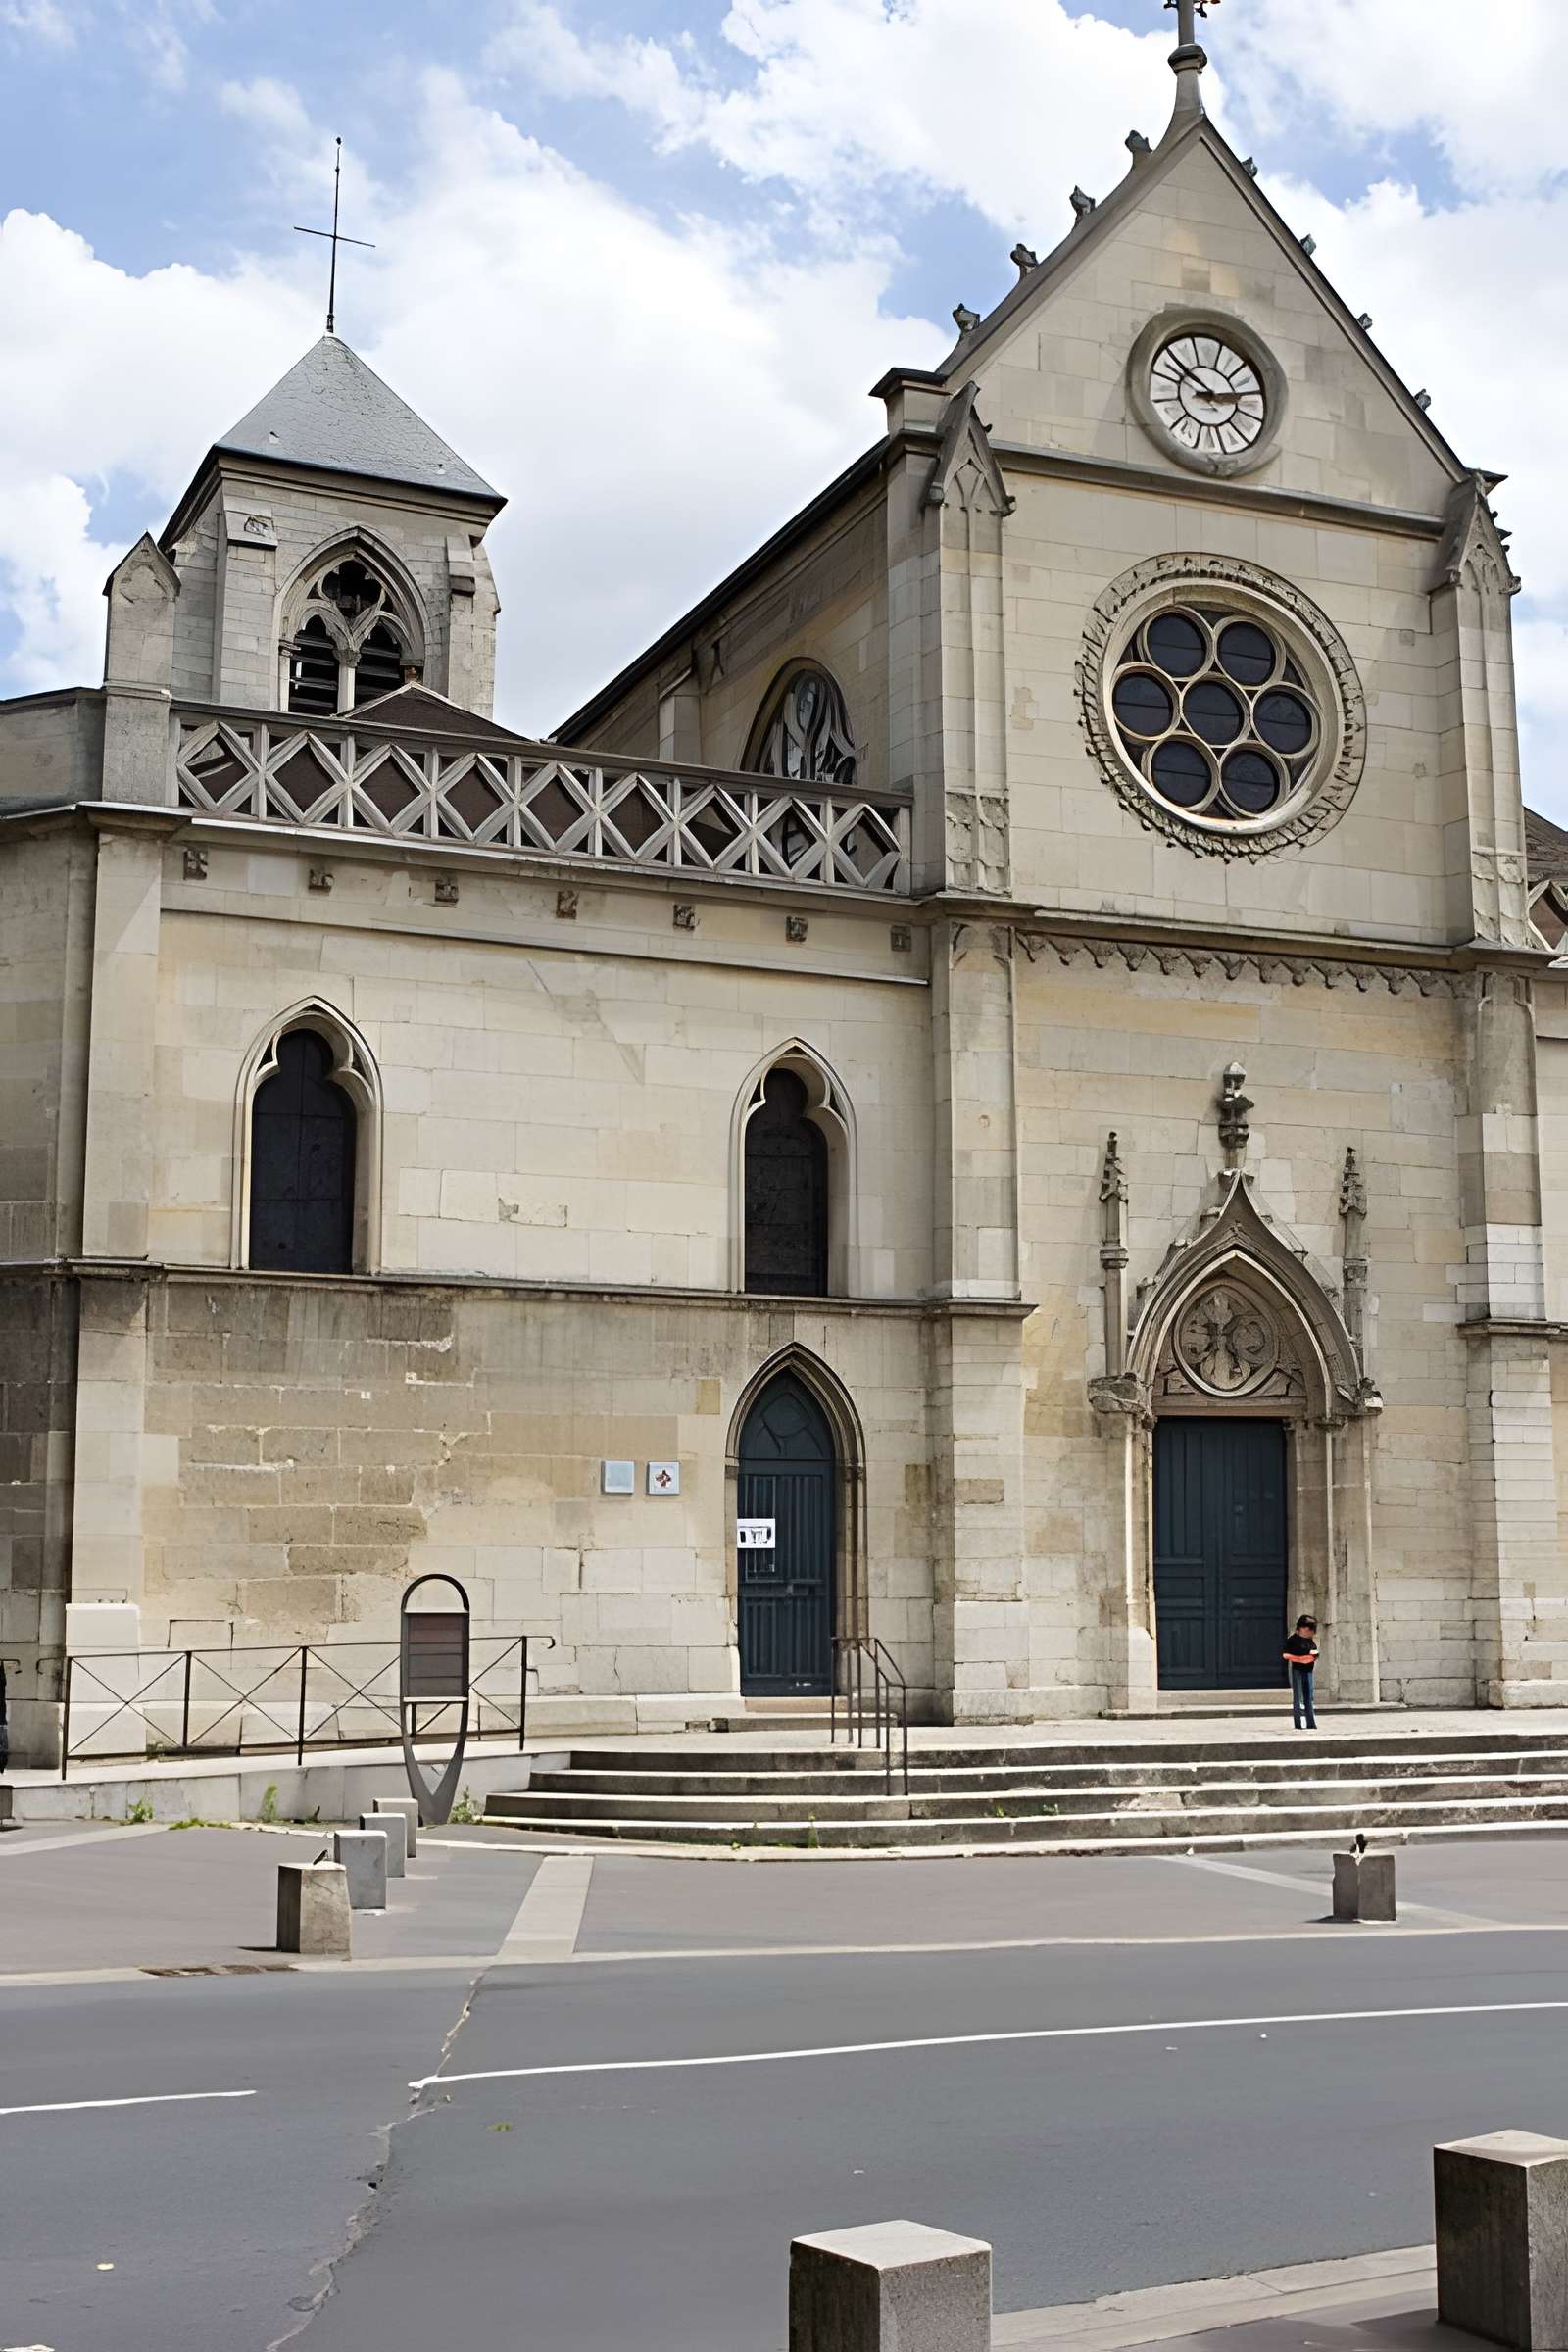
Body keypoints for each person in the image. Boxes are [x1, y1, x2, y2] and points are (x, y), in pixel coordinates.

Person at [1283, 1615, 1319, 1730]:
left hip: (1309, 1671)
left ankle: (1310, 1722)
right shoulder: (1292, 1640)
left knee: (1309, 1697)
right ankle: (1299, 1723)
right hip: (1297, 1670)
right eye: (1309, 1629)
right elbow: (1285, 1654)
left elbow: (1314, 1652)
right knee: (1299, 1698)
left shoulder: (1309, 1640)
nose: (1311, 1632)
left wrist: (1313, 1657)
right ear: (1303, 1628)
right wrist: (1300, 1659)